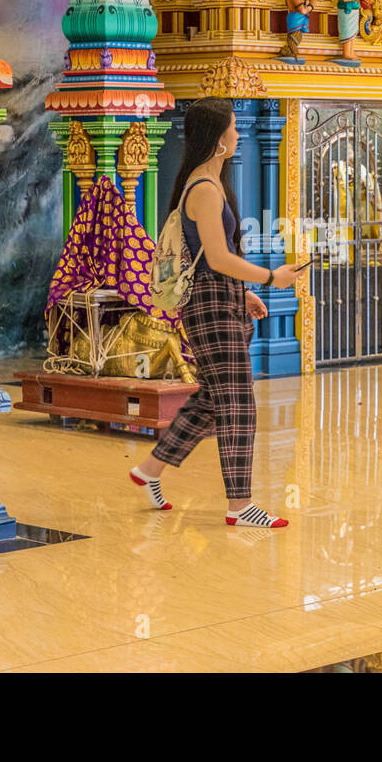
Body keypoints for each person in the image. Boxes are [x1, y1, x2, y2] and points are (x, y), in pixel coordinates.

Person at [130, 97, 306, 527]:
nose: (238, 133)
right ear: (217, 138)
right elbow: (219, 258)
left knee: (213, 397)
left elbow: (211, 261)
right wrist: (270, 278)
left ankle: (149, 470)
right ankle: (240, 505)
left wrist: (241, 293)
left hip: (218, 298)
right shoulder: (205, 190)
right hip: (210, 305)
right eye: (232, 127)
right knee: (238, 402)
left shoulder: (208, 182)